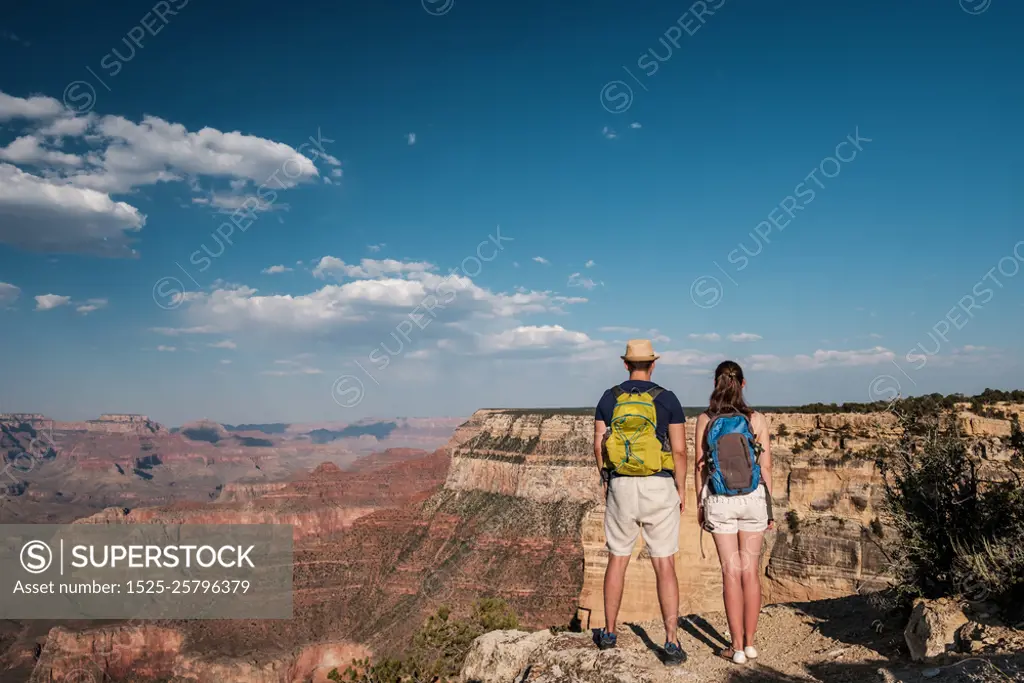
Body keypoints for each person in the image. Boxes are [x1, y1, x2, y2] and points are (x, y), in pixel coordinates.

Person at [593, 339, 688, 665]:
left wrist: (607, 480)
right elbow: (679, 451)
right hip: (659, 486)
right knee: (664, 564)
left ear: (625, 364)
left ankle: (608, 633)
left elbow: (599, 446)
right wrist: (682, 488)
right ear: (653, 364)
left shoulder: (609, 398)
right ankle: (672, 644)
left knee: (617, 560)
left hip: (621, 485)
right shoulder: (668, 399)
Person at [693, 360, 774, 665]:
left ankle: (736, 647)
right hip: (753, 498)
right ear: (743, 384)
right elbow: (766, 467)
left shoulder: (705, 419)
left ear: (715, 384)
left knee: (731, 573)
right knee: (750, 572)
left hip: (720, 500)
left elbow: (699, 468)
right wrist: (769, 507)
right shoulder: (757, 419)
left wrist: (701, 505)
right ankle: (751, 644)